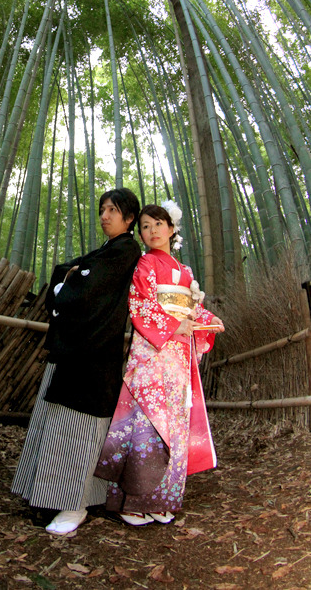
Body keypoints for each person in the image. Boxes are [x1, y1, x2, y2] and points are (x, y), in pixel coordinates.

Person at [11, 187, 141, 535]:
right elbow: (72, 272)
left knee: (80, 431)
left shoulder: (126, 249)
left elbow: (86, 283)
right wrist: (67, 277)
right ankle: (49, 498)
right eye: (102, 209)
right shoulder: (108, 250)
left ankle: (75, 505)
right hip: (79, 351)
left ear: (129, 219)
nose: (104, 216)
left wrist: (65, 283)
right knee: (59, 425)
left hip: (94, 355)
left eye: (112, 210)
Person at [95, 201, 224, 526]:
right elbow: (139, 304)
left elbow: (192, 309)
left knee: (175, 425)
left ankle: (163, 499)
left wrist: (207, 320)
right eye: (145, 227)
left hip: (178, 357)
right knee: (147, 424)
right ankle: (133, 502)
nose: (151, 232)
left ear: (171, 228)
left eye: (157, 224)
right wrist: (172, 325)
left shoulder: (186, 272)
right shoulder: (144, 265)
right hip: (153, 355)